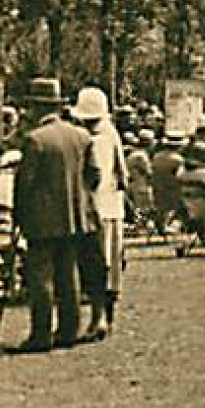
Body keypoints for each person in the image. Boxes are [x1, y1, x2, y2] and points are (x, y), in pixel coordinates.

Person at [10, 78, 98, 354]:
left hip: (42, 219)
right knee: (68, 275)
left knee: (40, 278)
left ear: (37, 108)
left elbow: (25, 184)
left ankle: (41, 334)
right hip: (75, 217)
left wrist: (20, 216)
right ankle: (69, 331)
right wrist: (79, 197)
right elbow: (94, 175)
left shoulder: (35, 140)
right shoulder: (81, 137)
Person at [73, 86, 127, 341]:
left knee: (95, 266)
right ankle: (106, 317)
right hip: (113, 208)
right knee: (110, 266)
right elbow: (123, 176)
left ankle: (98, 318)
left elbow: (90, 178)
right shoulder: (113, 135)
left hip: (94, 210)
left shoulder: (86, 140)